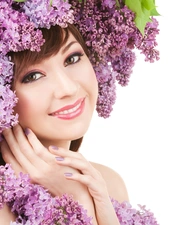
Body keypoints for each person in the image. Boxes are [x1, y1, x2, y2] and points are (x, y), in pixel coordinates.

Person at [0, 0, 160, 224]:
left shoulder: (106, 183)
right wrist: (78, 203)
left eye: (72, 58)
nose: (68, 88)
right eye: (33, 76)